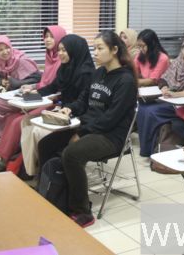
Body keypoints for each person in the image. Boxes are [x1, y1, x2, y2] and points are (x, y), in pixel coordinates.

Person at [40, 31, 138, 227]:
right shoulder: (98, 73)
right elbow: (83, 100)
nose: (95, 53)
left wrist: (81, 133)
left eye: (100, 48)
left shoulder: (125, 80)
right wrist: (70, 109)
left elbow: (111, 118)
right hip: (88, 126)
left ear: (114, 50)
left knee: (71, 154)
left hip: (110, 136)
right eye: (94, 48)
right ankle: (50, 192)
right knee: (46, 144)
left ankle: (82, 211)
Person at [0, 34, 95, 174]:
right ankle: (13, 162)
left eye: (64, 50)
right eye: (59, 50)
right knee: (15, 120)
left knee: (24, 124)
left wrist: (65, 107)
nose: (60, 53)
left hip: (72, 114)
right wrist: (34, 92)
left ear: (74, 50)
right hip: (60, 107)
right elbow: (52, 87)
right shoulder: (65, 68)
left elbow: (82, 102)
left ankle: (22, 167)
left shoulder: (86, 74)